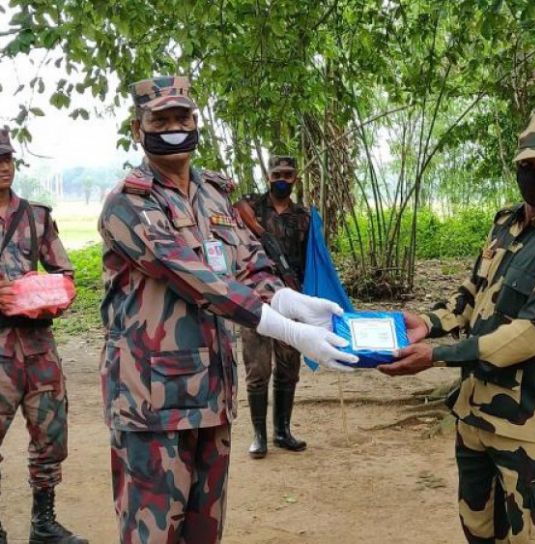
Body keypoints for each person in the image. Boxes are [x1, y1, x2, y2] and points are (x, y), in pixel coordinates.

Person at [98, 76, 356, 543]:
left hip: (211, 396)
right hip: (151, 403)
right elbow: (195, 277)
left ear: (196, 122)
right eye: (161, 120)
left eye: (183, 117)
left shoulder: (214, 194)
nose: (174, 128)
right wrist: (289, 331)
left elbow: (248, 262)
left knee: (205, 533)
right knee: (152, 534)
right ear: (138, 129)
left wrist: (289, 300)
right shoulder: (128, 203)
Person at [379, 112, 535, 543]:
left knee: (532, 537)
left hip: (525, 423)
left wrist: (437, 356)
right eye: (527, 166)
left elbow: (528, 335)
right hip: (474, 413)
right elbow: (471, 294)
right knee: (477, 528)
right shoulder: (506, 225)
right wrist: (427, 323)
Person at [0, 126, 87, 544]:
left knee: (51, 435)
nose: (3, 166)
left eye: (7, 158)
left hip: (38, 348)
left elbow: (63, 272)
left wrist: (51, 293)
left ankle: (43, 523)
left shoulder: (35, 217)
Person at [234, 155, 311, 457]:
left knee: (289, 367)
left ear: (296, 178)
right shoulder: (251, 206)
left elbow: (313, 260)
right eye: (276, 174)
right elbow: (233, 218)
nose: (282, 179)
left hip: (291, 298)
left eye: (288, 175)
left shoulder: (304, 217)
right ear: (268, 176)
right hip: (254, 300)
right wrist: (260, 231)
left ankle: (282, 431)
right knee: (258, 368)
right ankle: (259, 436)